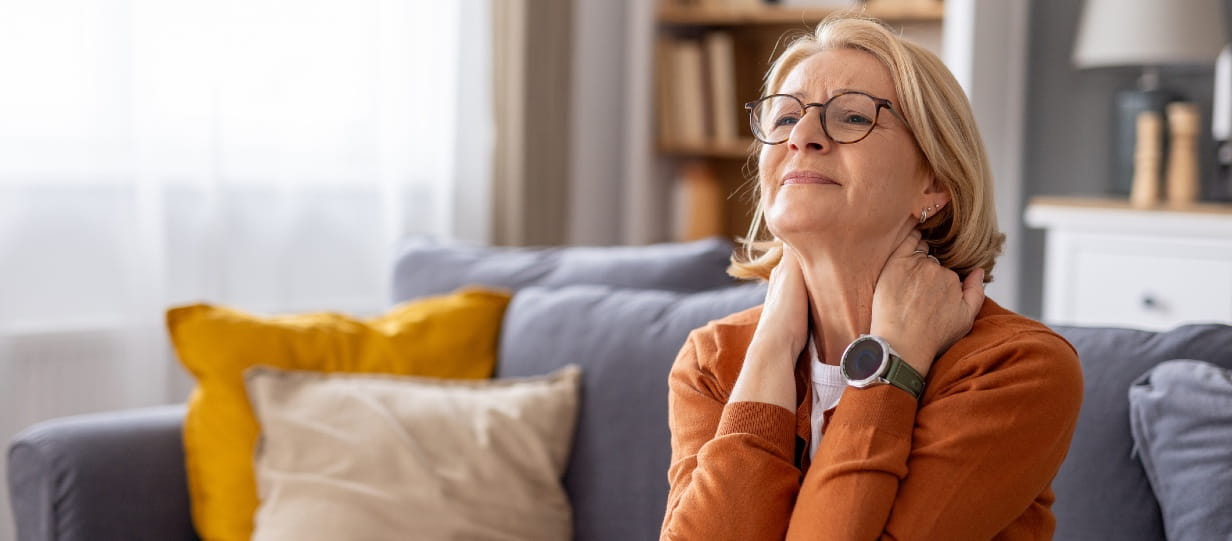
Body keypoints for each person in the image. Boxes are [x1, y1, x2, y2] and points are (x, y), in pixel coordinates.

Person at [660, 14, 1083, 541]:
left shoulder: (1016, 369)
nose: (804, 137)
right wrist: (770, 347)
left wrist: (891, 365)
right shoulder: (714, 359)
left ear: (934, 182)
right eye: (785, 118)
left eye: (853, 117)